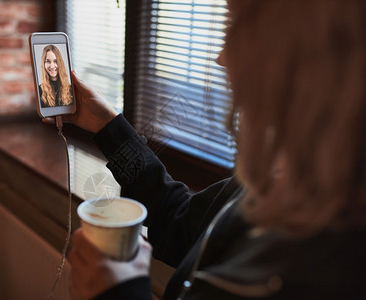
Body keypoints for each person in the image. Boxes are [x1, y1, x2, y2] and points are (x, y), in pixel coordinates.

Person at [51, 0, 365, 299]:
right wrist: (108, 127)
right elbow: (178, 221)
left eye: (237, 28)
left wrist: (120, 295)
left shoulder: (331, 270)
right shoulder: (281, 178)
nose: (222, 58)